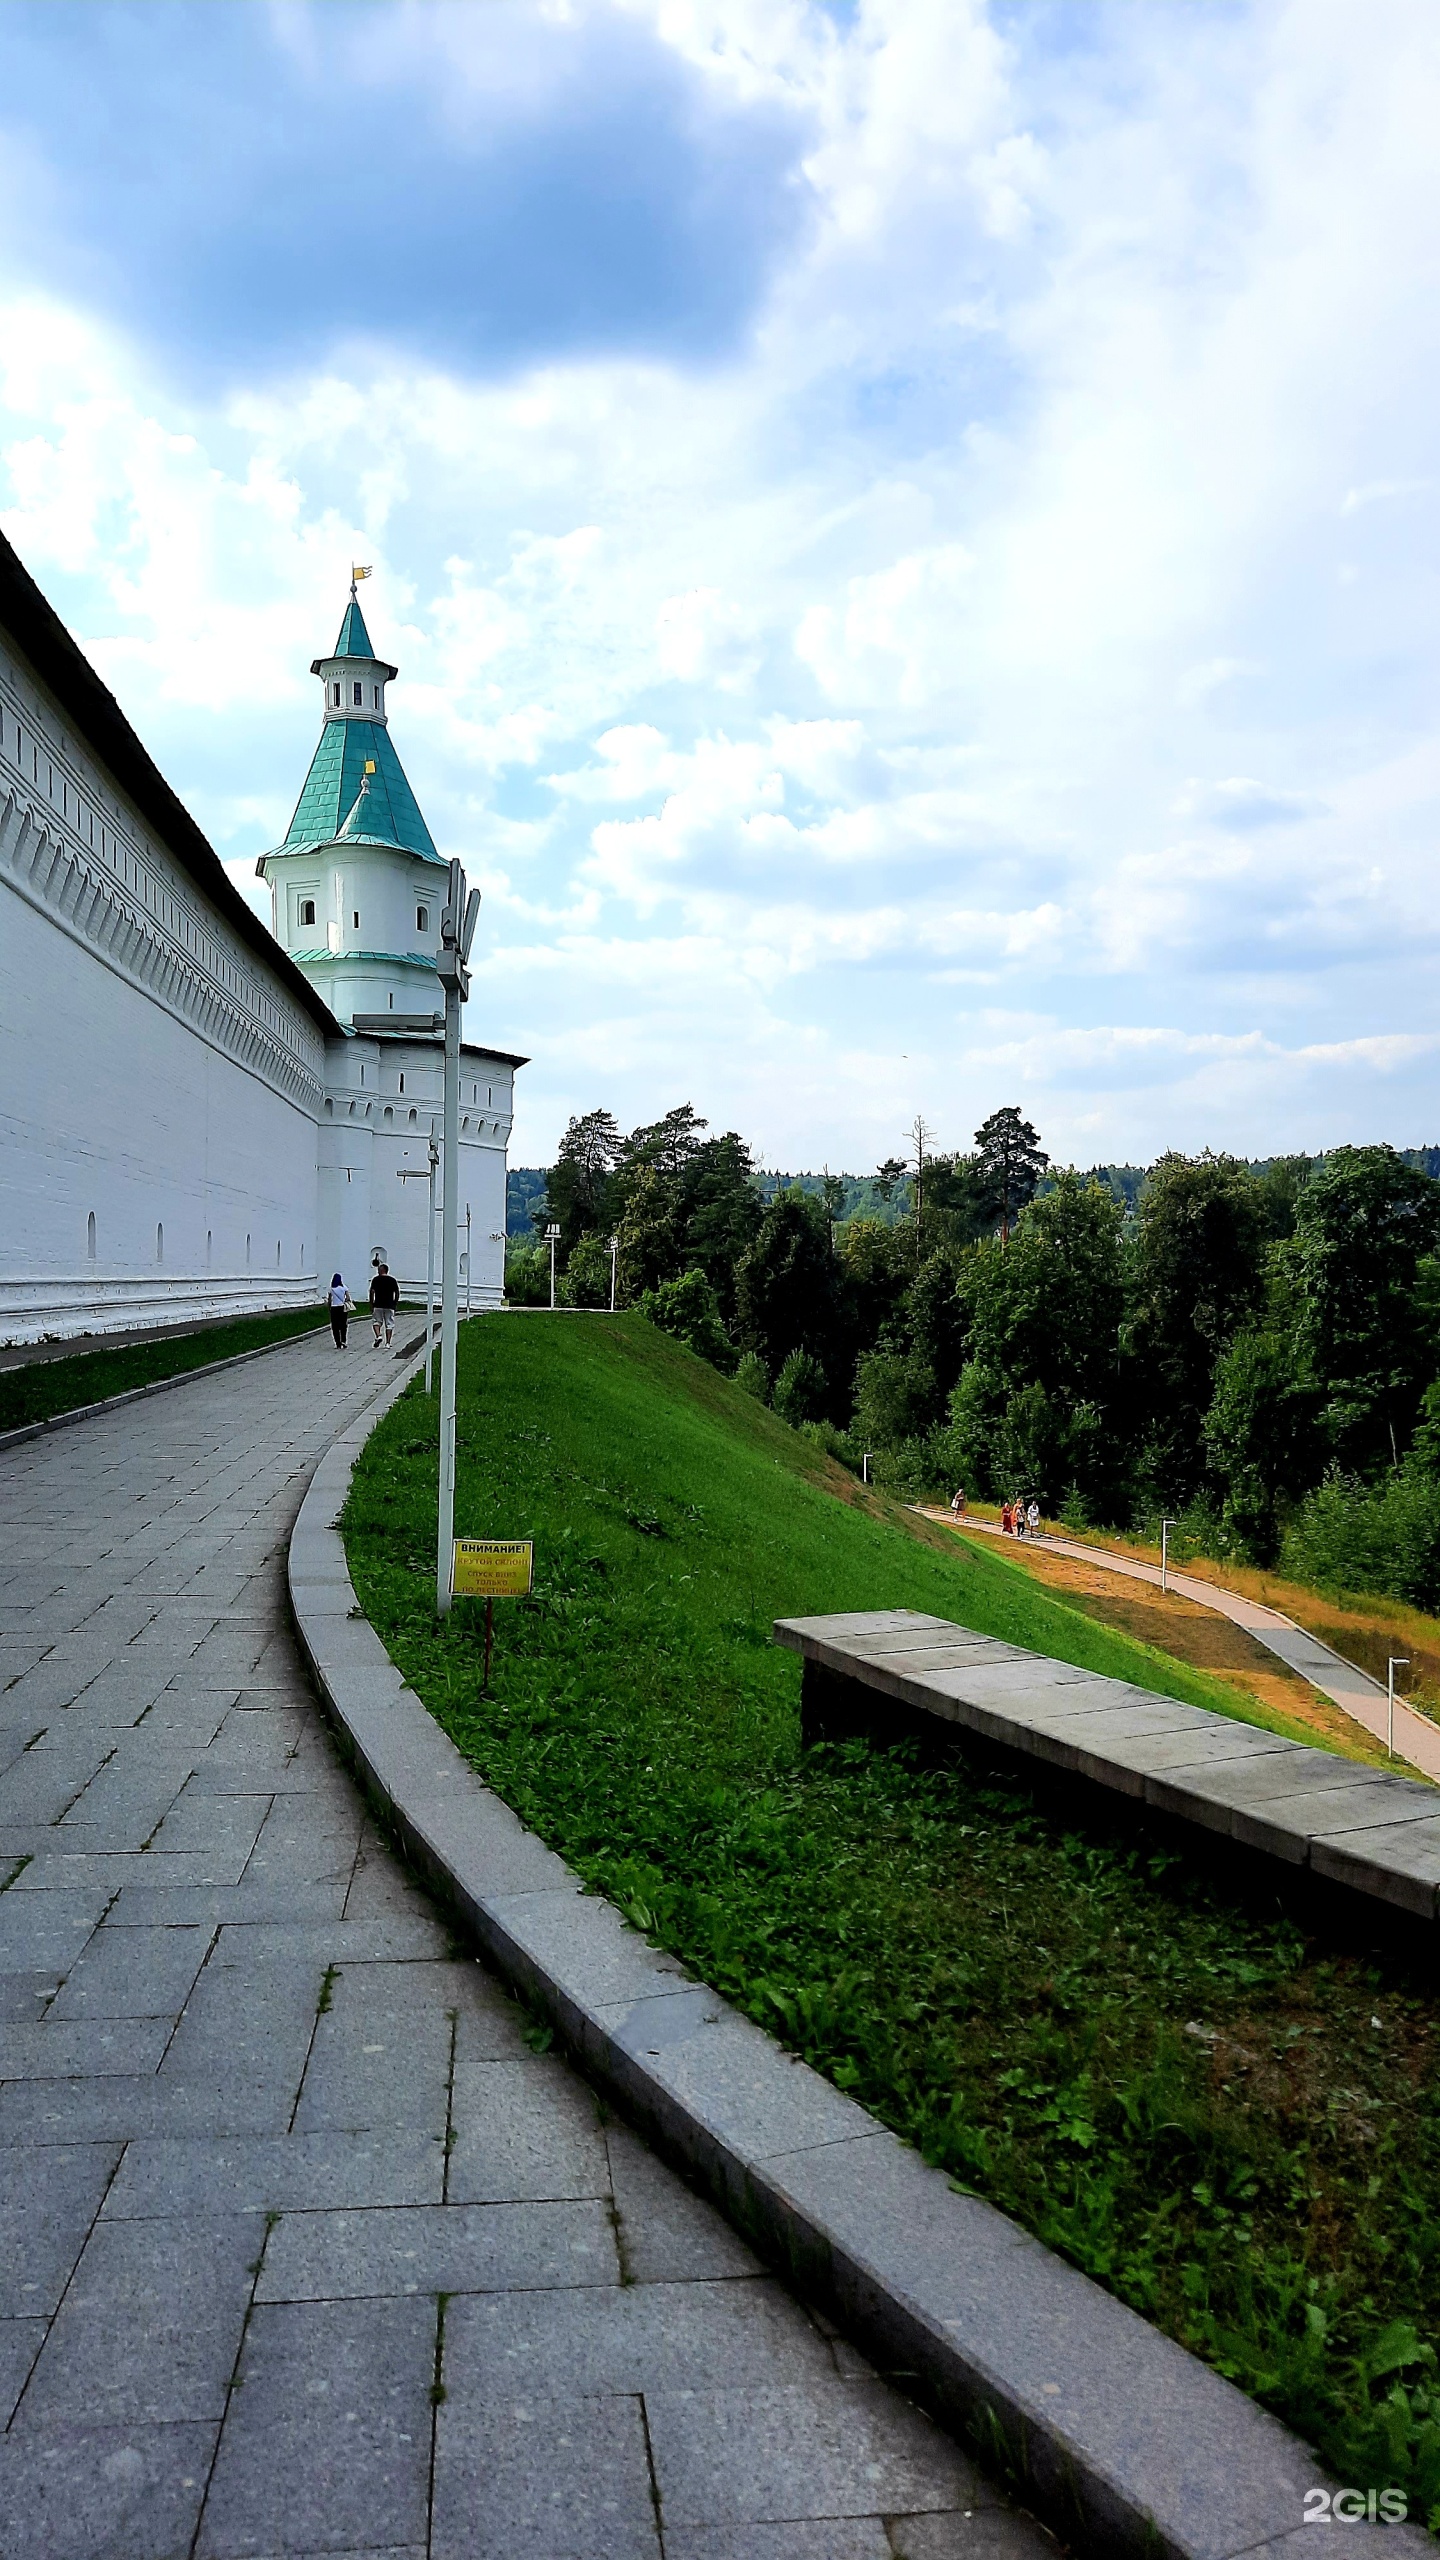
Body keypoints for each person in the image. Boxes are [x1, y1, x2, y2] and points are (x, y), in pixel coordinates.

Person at [370, 1259, 400, 1348]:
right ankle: (388, 1343)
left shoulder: (375, 1279)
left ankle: (378, 1335)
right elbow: (397, 1292)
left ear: (382, 1270)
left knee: (376, 1322)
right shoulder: (392, 1280)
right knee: (389, 1323)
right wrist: (395, 1303)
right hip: (389, 1304)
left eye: (379, 1269)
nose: (377, 1271)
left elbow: (372, 1292)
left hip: (378, 1304)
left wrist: (371, 1303)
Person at [328, 1273, 352, 1349]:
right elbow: (348, 1297)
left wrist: (329, 1308)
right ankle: (344, 1341)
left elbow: (329, 1300)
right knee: (343, 1325)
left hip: (334, 1308)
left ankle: (337, 1342)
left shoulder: (332, 1288)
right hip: (342, 1307)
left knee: (335, 1326)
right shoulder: (344, 1287)